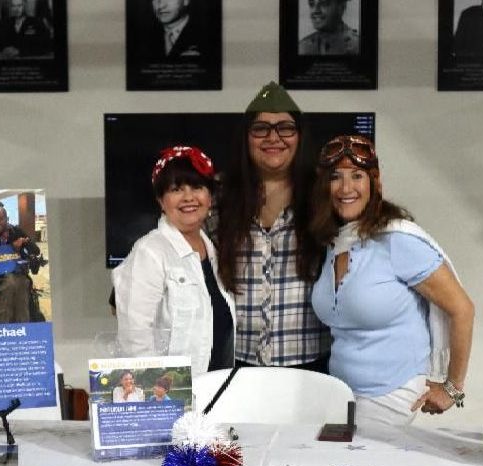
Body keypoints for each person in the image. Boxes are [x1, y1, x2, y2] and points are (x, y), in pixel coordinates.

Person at [309, 136, 474, 431]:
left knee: (350, 460)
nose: (346, 188)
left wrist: (452, 388)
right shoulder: (335, 242)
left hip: (390, 394)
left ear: (374, 182)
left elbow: (462, 309)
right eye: (336, 177)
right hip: (338, 393)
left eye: (357, 176)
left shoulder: (397, 239)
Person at [216, 82, 329, 372]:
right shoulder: (218, 198)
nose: (273, 137)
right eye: (261, 128)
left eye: (285, 128)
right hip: (236, 362)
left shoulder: (325, 197)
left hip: (312, 363)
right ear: (246, 137)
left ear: (300, 136)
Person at [113, 145, 235, 377]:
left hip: (217, 388)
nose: (188, 197)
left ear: (210, 197)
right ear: (161, 200)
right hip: (171, 393)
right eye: (176, 189)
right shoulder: (150, 252)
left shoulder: (212, 250)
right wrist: (160, 392)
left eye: (197, 187)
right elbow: (135, 341)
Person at [0, 206, 45, 324]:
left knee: (20, 283)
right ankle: (4, 325)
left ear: (7, 219)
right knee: (11, 283)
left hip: (18, 272)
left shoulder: (17, 232)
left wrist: (22, 243)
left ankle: (22, 324)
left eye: (0, 219)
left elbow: (35, 250)